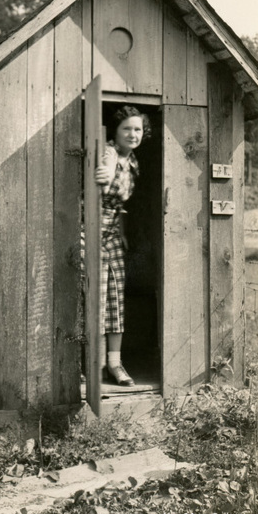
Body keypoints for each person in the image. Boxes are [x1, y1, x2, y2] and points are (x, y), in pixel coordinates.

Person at [94, 105, 151, 386]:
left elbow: (121, 204)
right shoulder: (109, 152)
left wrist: (122, 230)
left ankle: (115, 365)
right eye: (127, 128)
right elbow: (102, 180)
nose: (133, 134)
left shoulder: (134, 162)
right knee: (93, 295)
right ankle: (91, 363)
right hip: (88, 229)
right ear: (115, 132)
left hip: (112, 233)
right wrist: (102, 176)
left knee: (116, 294)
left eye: (137, 129)